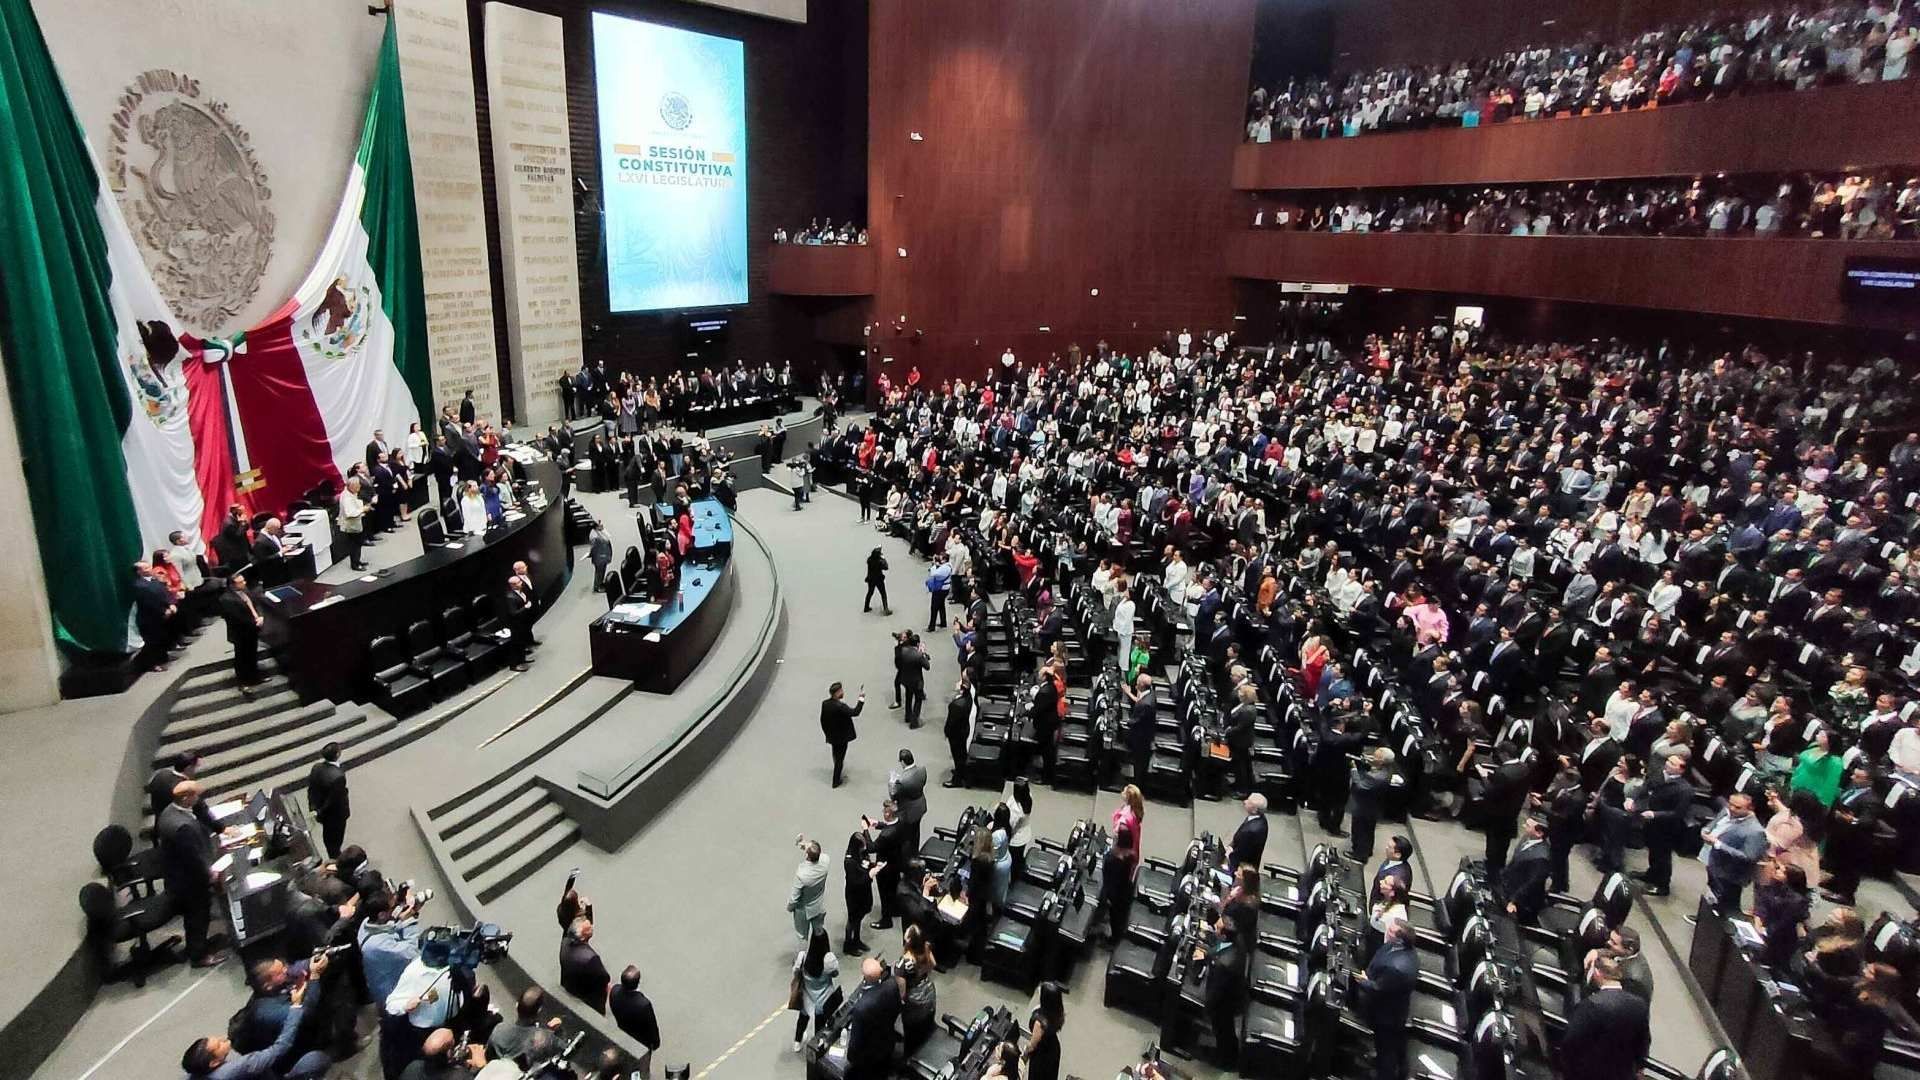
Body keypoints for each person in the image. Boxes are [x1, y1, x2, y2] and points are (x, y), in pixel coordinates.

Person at [181, 978, 328, 1078]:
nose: (223, 1038)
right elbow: (281, 1047)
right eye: (219, 1044)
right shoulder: (241, 1066)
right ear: (213, 1063)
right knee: (316, 1060)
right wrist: (296, 1006)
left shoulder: (194, 1073)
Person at [157, 780, 226, 968]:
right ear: (186, 798)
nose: (198, 799)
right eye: (196, 796)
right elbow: (193, 858)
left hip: (177, 877)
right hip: (190, 883)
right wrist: (210, 873)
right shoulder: (183, 826)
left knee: (194, 918)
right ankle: (199, 956)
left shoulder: (168, 812)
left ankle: (197, 946)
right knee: (198, 916)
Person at [1557, 955, 1651, 1080]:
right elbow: (1643, 1042)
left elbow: (1571, 1041)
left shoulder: (1591, 1004)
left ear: (1597, 973)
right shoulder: (1639, 1005)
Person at [1356, 918, 1417, 1080]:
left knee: (1386, 1051)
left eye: (1390, 930)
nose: (1387, 931)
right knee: (1381, 1045)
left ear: (1399, 938)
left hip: (1388, 1015)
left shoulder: (1398, 967)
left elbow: (1379, 989)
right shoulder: (1396, 946)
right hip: (1384, 1004)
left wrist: (1362, 981)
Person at [1630, 751, 1693, 895]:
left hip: (1668, 828)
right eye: (1668, 761)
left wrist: (1655, 814)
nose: (1667, 764)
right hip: (1652, 824)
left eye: (1672, 763)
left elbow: (1678, 813)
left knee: (1662, 856)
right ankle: (1651, 874)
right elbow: (1645, 787)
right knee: (1653, 851)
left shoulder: (1684, 790)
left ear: (1681, 769)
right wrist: (1633, 799)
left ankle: (1663, 886)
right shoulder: (1660, 775)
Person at [1696, 792, 1768, 918]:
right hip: (1714, 864)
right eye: (1731, 804)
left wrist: (1718, 844)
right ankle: (1705, 919)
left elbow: (1748, 856)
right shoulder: (1727, 811)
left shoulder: (1755, 831)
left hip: (1730, 874)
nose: (1732, 808)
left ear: (1750, 808)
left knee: (1727, 906)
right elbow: (1714, 824)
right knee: (1713, 895)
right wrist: (1706, 830)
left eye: (1738, 807)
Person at [844, 957, 900, 1080]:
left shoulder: (861, 1008)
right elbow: (896, 1010)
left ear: (864, 977)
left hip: (867, 1060)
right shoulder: (892, 985)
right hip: (887, 1044)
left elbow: (854, 1048)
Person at [1202, 919, 1247, 1068]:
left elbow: (1216, 991)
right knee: (1227, 1030)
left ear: (1223, 935)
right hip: (1232, 994)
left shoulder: (1224, 964)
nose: (1215, 930)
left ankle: (1226, 1061)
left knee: (1222, 1030)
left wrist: (1207, 1007)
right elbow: (1213, 951)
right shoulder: (1237, 941)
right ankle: (1230, 1056)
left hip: (1224, 1002)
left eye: (1217, 929)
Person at [792, 927, 842, 1052]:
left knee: (802, 1019)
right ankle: (816, 1047)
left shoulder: (802, 956)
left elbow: (796, 971)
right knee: (820, 1026)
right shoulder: (828, 960)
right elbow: (835, 973)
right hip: (823, 999)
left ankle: (797, 1042)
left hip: (806, 996)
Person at [609, 966, 661, 1077]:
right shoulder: (643, 1004)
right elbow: (651, 1025)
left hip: (623, 1032)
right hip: (641, 1041)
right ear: (638, 982)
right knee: (642, 1067)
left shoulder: (614, 991)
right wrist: (655, 1043)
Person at [1500, 817, 1552, 924]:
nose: (1524, 827)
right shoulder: (1527, 838)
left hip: (1524, 901)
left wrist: (1514, 901)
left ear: (1539, 833)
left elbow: (1532, 883)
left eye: (1528, 826)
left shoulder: (1541, 857)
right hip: (1510, 885)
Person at [219, 572, 264, 694]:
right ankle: (243, 682)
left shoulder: (246, 591)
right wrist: (255, 622)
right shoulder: (226, 599)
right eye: (240, 582)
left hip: (252, 630)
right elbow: (238, 618)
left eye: (243, 581)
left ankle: (255, 677)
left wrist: (260, 616)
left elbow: (256, 604)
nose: (244, 583)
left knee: (252, 654)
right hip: (240, 633)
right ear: (232, 585)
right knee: (242, 658)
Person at [1348, 748, 1395, 862]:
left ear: (1382, 761)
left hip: (1365, 806)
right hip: (1374, 805)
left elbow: (1359, 786)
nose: (1373, 758)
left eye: (1376, 757)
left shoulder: (1376, 777)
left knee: (1360, 831)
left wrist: (1354, 769)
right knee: (1368, 831)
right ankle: (1367, 850)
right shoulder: (1387, 770)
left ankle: (1360, 855)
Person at [897, 923, 938, 1051]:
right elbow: (933, 964)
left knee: (911, 1033)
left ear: (908, 940)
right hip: (928, 992)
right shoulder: (926, 948)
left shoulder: (904, 964)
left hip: (914, 1001)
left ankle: (910, 1057)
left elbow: (902, 994)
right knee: (926, 1025)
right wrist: (921, 973)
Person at [306, 742, 350, 859]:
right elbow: (333, 800)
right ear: (337, 754)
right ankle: (335, 861)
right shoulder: (338, 776)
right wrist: (321, 811)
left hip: (322, 813)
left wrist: (314, 809)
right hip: (336, 815)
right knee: (335, 840)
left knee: (328, 838)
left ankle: (333, 855)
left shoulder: (316, 768)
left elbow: (311, 790)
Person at [820, 681, 865, 788]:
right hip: (841, 737)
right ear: (836, 693)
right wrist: (861, 699)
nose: (842, 692)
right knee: (840, 758)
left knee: (836, 755)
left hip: (832, 736)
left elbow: (822, 720)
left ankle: (837, 769)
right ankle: (836, 781)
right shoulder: (840, 707)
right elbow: (855, 712)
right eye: (841, 691)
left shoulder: (825, 703)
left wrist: (827, 733)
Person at [559, 917, 610, 1012]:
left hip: (570, 985)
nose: (592, 927)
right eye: (589, 928)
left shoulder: (565, 942)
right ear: (582, 937)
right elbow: (604, 977)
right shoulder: (591, 958)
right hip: (588, 998)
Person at [788, 838, 829, 944]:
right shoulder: (825, 862)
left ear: (807, 855)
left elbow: (794, 898)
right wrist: (806, 847)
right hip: (818, 906)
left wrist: (790, 907)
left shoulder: (802, 875)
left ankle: (802, 959)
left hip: (803, 910)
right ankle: (820, 953)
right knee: (819, 931)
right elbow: (819, 853)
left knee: (802, 936)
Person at [1022, 981, 1064, 1080]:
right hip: (1053, 1048)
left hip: (1041, 1054)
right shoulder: (1057, 1011)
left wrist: (1024, 1053)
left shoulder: (1039, 1022)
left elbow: (1033, 1044)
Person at [890, 749, 929, 853]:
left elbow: (894, 796)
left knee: (906, 835)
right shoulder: (922, 769)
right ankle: (915, 851)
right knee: (916, 831)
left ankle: (907, 857)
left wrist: (892, 783)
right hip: (920, 806)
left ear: (903, 761)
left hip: (908, 812)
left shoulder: (902, 781)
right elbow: (922, 783)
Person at [894, 631, 930, 728]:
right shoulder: (918, 655)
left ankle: (908, 716)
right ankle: (914, 722)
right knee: (918, 700)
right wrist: (922, 653)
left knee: (908, 697)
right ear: (918, 644)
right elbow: (927, 666)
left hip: (906, 679)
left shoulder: (903, 651)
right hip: (917, 681)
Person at [943, 673, 974, 788]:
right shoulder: (968, 697)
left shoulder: (956, 705)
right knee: (962, 754)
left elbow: (951, 723)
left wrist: (946, 732)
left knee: (958, 756)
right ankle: (964, 775)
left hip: (956, 734)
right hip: (963, 729)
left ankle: (958, 780)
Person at [1229, 793, 1269, 872]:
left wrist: (1227, 856)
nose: (1244, 801)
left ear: (1255, 810)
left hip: (1242, 870)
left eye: (1249, 802)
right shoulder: (1260, 818)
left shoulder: (1250, 831)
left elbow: (1240, 856)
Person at [503, 573, 535, 671]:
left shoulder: (520, 592)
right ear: (512, 585)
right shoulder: (510, 597)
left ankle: (522, 660)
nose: (521, 583)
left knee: (522, 643)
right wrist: (525, 607)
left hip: (522, 623)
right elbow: (513, 613)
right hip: (516, 625)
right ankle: (514, 665)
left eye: (520, 581)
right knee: (516, 645)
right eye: (518, 582)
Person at [339, 477, 370, 571]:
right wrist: (363, 509)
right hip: (351, 525)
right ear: (352, 487)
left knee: (358, 543)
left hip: (356, 523)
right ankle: (355, 564)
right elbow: (350, 513)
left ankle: (357, 560)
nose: (359, 487)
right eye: (357, 486)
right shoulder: (346, 498)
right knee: (354, 545)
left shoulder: (350, 492)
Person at [925, 554, 953, 632]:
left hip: (940, 590)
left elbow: (933, 573)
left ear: (944, 560)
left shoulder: (945, 568)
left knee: (934, 608)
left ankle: (931, 626)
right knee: (941, 606)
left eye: (940, 559)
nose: (939, 560)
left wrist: (934, 565)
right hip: (944, 589)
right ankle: (943, 622)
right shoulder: (948, 565)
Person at [863, 547, 891, 615]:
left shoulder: (869, 560)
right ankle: (886, 609)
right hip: (878, 580)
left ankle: (866, 607)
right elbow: (886, 567)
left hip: (871, 579)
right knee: (883, 594)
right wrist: (884, 559)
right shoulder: (879, 561)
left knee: (870, 592)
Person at [588, 521, 613, 593]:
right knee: (599, 572)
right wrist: (591, 554)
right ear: (596, 527)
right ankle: (597, 587)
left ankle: (600, 584)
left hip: (603, 555)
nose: (602, 526)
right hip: (599, 557)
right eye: (600, 526)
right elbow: (593, 548)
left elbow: (607, 537)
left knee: (602, 571)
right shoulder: (594, 536)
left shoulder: (599, 532)